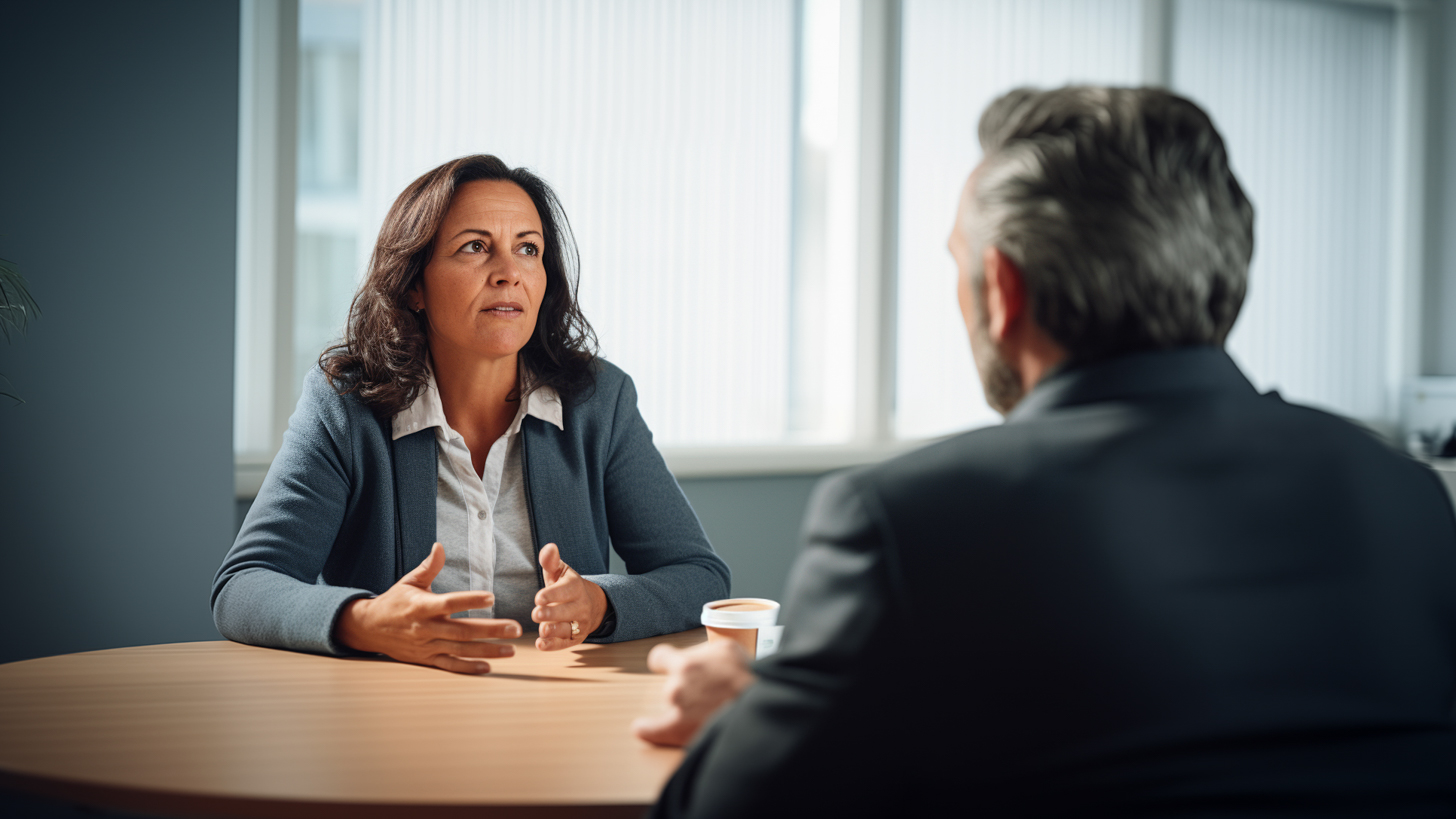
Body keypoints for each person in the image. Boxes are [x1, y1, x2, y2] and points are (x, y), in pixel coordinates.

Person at [633, 87, 1456, 817]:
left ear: (1004, 287)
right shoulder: (1407, 495)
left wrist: (744, 715)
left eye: (959, 267)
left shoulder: (911, 521)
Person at [213, 155, 730, 672]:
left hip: (558, 709)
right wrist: (367, 621)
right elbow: (244, 585)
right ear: (414, 283)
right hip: (390, 709)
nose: (509, 273)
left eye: (528, 249)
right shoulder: (346, 406)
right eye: (476, 247)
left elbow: (698, 574)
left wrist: (601, 603)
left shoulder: (600, 400)